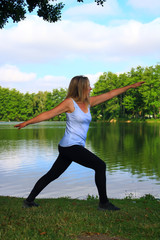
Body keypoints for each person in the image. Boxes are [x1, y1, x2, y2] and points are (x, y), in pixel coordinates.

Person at [14, 76, 144, 211]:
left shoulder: (88, 102)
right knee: (100, 166)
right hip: (70, 146)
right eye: (88, 86)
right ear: (80, 88)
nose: (91, 88)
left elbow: (110, 94)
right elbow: (49, 114)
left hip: (71, 147)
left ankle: (29, 201)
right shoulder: (69, 103)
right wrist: (27, 122)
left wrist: (130, 86)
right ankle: (104, 203)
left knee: (52, 175)